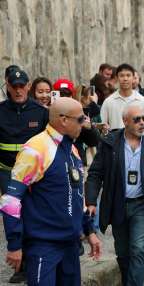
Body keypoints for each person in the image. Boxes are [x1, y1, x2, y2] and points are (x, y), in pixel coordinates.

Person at [0, 97, 101, 285]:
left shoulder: (72, 149)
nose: (85, 124)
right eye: (81, 119)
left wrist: (90, 231)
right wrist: (14, 245)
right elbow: (11, 201)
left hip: (71, 245)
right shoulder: (36, 148)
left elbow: (78, 195)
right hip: (43, 246)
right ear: (63, 120)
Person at [85, 104, 144, 286]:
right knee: (123, 252)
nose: (142, 123)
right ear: (125, 121)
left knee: (138, 250)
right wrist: (91, 200)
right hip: (118, 204)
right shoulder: (110, 143)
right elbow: (95, 174)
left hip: (143, 205)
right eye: (137, 120)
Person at [0, 68, 48, 283]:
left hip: (35, 175)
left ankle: (34, 260)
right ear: (7, 86)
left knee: (33, 216)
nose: (18, 90)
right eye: (14, 86)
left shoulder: (40, 111)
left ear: (28, 86)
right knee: (12, 216)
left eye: (22, 86)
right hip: (7, 172)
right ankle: (19, 262)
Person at [99, 64, 144, 131]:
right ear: (117, 78)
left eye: (128, 75)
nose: (125, 79)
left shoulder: (143, 101)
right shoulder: (109, 101)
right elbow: (101, 126)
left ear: (133, 78)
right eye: (122, 76)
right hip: (115, 140)